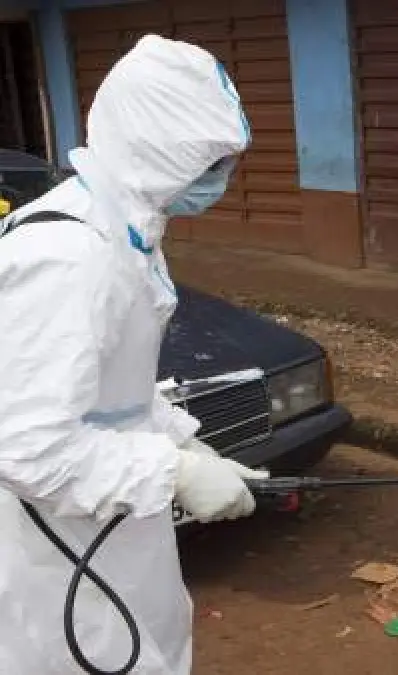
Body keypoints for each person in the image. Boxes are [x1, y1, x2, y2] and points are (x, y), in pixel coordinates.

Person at [0, 35, 264, 674]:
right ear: (157, 151)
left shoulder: (123, 229)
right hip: (52, 542)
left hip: (106, 527)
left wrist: (184, 443)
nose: (222, 179)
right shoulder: (69, 256)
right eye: (209, 162)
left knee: (148, 642)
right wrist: (170, 474)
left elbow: (112, 385)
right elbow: (24, 446)